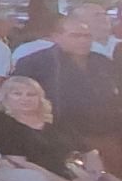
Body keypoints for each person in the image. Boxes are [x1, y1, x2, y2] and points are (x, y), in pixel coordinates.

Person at [13, 16, 122, 172]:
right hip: (62, 138)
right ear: (57, 37)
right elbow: (17, 100)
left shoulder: (102, 62)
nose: (83, 41)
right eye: (75, 35)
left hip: (108, 136)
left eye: (87, 36)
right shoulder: (35, 63)